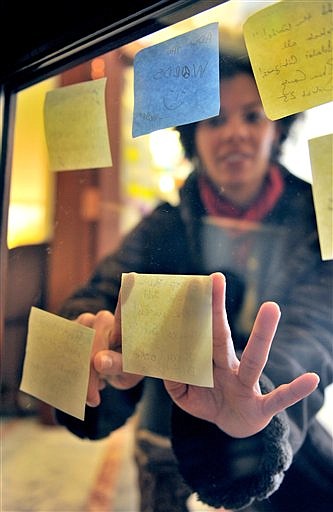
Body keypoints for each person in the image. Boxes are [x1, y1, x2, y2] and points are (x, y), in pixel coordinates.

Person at [55, 50, 333, 511]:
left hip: (274, 415)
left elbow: (316, 326)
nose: (236, 134)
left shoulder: (316, 220)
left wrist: (258, 395)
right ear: (193, 135)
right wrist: (87, 345)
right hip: (171, 425)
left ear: (278, 127)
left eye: (252, 116)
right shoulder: (163, 225)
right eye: (216, 120)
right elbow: (97, 295)